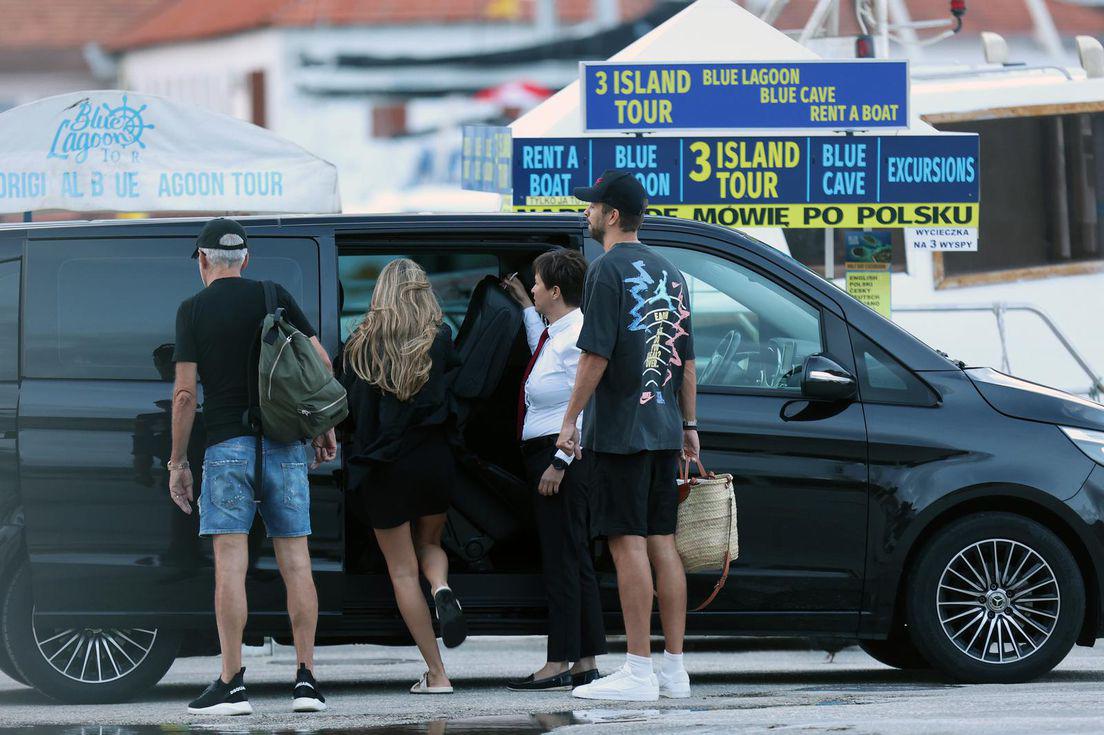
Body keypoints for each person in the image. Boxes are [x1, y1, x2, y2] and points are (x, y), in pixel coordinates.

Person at [169, 218, 336, 715]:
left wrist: (178, 461)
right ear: (246, 258)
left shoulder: (192, 310)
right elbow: (320, 366)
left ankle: (231, 682)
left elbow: (183, 397)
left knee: (230, 568)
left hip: (226, 449)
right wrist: (321, 427)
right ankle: (306, 681)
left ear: (202, 261)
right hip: (283, 447)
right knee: (298, 564)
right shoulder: (272, 294)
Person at [556, 170, 699, 702]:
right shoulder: (673, 272)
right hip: (663, 430)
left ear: (612, 215)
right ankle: (673, 670)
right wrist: (688, 426)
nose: (587, 214)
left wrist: (570, 419)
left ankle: (637, 671)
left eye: (592, 206)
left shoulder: (605, 271)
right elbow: (686, 362)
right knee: (664, 543)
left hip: (620, 430)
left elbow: (596, 354)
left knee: (627, 544)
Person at [336, 258, 466, 695]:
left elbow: (344, 410)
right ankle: (443, 587)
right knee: (430, 544)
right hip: (433, 462)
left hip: (382, 469)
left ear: (381, 294)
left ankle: (438, 674)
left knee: (401, 571)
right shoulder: (440, 338)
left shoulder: (359, 344)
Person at [501, 249, 607, 692]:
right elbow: (542, 356)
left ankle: (558, 660)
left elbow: (586, 405)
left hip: (561, 456)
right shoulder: (558, 332)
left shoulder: (577, 332)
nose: (536, 288)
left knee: (563, 562)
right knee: (573, 558)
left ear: (557, 291)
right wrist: (526, 307)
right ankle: (584, 660)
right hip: (552, 452)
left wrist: (560, 462)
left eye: (538, 284)